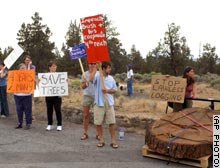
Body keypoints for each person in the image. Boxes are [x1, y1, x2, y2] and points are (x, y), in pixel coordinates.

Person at [90, 61, 119, 149]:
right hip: (99, 103)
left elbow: (115, 90)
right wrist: (95, 67)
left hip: (109, 104)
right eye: (108, 68)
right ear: (103, 68)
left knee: (111, 122)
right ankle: (101, 140)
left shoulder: (111, 78)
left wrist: (107, 90)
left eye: (110, 68)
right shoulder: (98, 76)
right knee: (98, 123)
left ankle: (113, 141)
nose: (110, 69)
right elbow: (91, 79)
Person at [80, 62, 99, 140]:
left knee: (97, 116)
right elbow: (82, 87)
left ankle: (98, 134)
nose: (92, 65)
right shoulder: (84, 74)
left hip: (96, 96)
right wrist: (85, 84)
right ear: (88, 65)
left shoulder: (98, 73)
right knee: (86, 115)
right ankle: (85, 133)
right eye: (90, 64)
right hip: (87, 95)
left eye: (94, 64)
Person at [45, 61, 62, 131]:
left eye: (55, 66)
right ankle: (49, 124)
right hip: (48, 95)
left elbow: (62, 84)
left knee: (58, 110)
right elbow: (43, 84)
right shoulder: (45, 76)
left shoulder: (60, 75)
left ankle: (59, 124)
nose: (54, 68)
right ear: (49, 67)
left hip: (57, 96)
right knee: (49, 110)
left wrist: (65, 81)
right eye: (52, 66)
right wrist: (40, 81)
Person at [14, 63, 33, 129]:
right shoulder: (15, 76)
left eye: (24, 68)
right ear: (18, 69)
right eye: (22, 68)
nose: (23, 69)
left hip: (27, 95)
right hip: (17, 95)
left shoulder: (29, 75)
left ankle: (28, 123)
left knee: (28, 109)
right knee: (19, 110)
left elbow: (33, 84)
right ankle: (20, 123)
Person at [24, 54, 36, 120]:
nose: (27, 61)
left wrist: (29, 66)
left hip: (31, 86)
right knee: (25, 101)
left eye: (28, 60)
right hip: (24, 86)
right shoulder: (22, 67)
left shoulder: (33, 67)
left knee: (31, 101)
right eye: (26, 60)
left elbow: (30, 74)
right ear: (24, 61)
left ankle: (32, 116)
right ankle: (26, 115)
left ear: (30, 61)